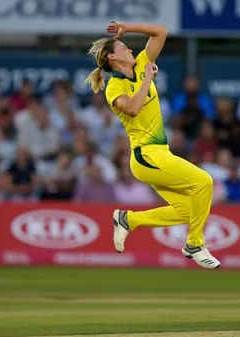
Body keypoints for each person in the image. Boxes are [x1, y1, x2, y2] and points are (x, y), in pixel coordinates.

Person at [84, 21, 219, 269]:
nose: (132, 51)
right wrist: (147, 77)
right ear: (113, 58)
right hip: (145, 156)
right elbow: (133, 109)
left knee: (190, 210)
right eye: (125, 48)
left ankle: (129, 220)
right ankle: (194, 244)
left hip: (160, 155)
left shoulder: (142, 61)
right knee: (204, 182)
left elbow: (161, 32)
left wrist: (127, 27)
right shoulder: (115, 86)